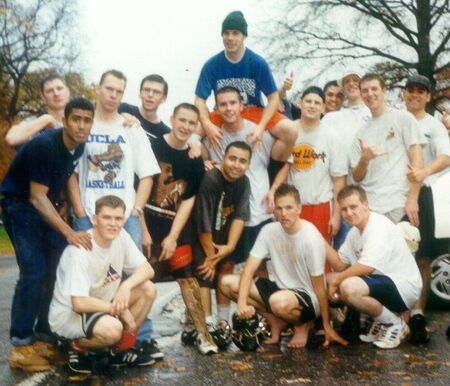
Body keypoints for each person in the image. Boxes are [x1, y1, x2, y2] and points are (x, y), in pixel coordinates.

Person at [67, 69, 161, 357]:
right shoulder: (83, 124)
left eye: (119, 91)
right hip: (90, 214)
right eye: (108, 89)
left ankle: (140, 337)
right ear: (97, 87)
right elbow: (69, 171)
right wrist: (80, 208)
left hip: (124, 216)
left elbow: (147, 174)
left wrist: (137, 210)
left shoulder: (131, 128)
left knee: (137, 278)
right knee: (92, 276)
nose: (113, 96)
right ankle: (90, 336)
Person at [1, 97, 94, 372]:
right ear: (65, 120)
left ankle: (43, 338)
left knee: (55, 270)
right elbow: (36, 197)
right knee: (34, 272)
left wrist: (75, 213)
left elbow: (65, 177)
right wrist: (70, 232)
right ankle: (20, 344)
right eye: (76, 119)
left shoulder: (78, 147)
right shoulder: (44, 144)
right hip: (20, 205)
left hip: (46, 205)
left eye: (87, 120)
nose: (81, 125)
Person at [220, 184, 348, 349]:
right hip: (280, 288)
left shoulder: (310, 237)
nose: (284, 213)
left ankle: (302, 325)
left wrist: (326, 325)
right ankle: (276, 321)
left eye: (289, 208)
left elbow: (319, 288)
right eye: (279, 208)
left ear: (299, 209)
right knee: (227, 283)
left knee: (277, 301)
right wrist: (242, 304)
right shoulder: (269, 230)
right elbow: (248, 270)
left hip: (308, 297)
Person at [49, 195, 156, 376]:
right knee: (113, 330)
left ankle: (117, 352)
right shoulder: (81, 250)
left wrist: (126, 286)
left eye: (118, 218)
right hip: (69, 315)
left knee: (148, 289)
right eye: (107, 217)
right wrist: (119, 309)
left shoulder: (121, 236)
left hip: (100, 306)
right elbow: (79, 303)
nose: (113, 224)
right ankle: (75, 345)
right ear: (94, 219)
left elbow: (148, 269)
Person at [145, 102, 218, 355]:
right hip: (147, 222)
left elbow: (188, 201)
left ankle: (203, 334)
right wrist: (144, 231)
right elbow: (138, 191)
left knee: (187, 277)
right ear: (172, 118)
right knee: (140, 278)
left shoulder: (194, 159)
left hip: (175, 225)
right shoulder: (152, 147)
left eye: (191, 122)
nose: (185, 126)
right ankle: (134, 337)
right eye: (181, 120)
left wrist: (173, 237)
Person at [327, 185, 422, 349]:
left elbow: (367, 267)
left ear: (365, 204)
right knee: (326, 280)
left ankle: (394, 324)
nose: (349, 213)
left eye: (353, 207)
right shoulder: (354, 233)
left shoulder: (377, 226)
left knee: (349, 286)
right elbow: (340, 263)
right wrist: (316, 238)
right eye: (344, 209)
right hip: (384, 284)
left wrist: (337, 280)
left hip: (403, 287)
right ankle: (382, 322)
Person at [194, 10, 297, 161]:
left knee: (291, 130)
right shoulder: (212, 65)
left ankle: (273, 167)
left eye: (235, 33)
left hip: (253, 110)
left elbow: (273, 98)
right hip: (223, 111)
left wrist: (261, 127)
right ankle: (206, 165)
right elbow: (199, 100)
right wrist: (207, 124)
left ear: (244, 36)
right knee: (190, 134)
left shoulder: (257, 62)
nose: (230, 38)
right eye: (226, 33)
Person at [402, 74, 450, 343]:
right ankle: (397, 315)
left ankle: (418, 313)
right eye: (411, 91)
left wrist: (423, 172)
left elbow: (446, 156)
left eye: (421, 92)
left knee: (422, 256)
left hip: (423, 196)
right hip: (395, 194)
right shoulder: (395, 119)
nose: (415, 96)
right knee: (394, 254)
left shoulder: (434, 125)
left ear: (428, 96)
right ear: (403, 94)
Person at [268, 86, 347, 243]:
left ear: (323, 107)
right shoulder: (289, 130)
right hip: (291, 207)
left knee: (321, 260)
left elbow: (339, 180)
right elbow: (284, 168)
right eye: (308, 101)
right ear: (300, 103)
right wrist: (273, 193)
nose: (312, 105)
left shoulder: (332, 136)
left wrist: (336, 216)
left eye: (317, 103)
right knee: (291, 259)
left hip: (320, 206)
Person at [350, 73, 425, 225]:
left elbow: (417, 161)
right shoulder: (360, 133)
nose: (370, 94)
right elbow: (356, 176)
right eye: (365, 90)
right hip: (370, 209)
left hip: (399, 205)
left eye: (374, 89)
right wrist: (364, 159)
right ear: (361, 94)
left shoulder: (404, 118)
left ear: (384, 91)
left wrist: (412, 199)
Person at [193, 141, 251, 325]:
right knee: (206, 273)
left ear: (248, 164)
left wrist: (230, 247)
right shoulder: (211, 179)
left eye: (242, 161)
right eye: (232, 158)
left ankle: (223, 322)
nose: (236, 164)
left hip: (225, 235)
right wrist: (212, 259)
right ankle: (206, 324)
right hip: (203, 235)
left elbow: (240, 216)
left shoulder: (244, 181)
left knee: (225, 270)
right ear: (224, 158)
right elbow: (203, 223)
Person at [322, 71, 371, 247]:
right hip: (342, 195)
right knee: (344, 249)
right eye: (347, 81)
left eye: (355, 80)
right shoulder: (331, 118)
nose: (351, 84)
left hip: (372, 193)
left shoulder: (375, 113)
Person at [6, 74, 70, 148]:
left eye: (59, 88)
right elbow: (11, 138)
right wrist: (46, 120)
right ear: (43, 97)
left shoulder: (82, 123)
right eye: (49, 91)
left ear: (68, 92)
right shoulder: (35, 122)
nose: (56, 93)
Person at [118, 74, 170, 139]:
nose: (150, 95)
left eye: (156, 92)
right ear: (140, 93)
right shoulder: (122, 108)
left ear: (164, 98)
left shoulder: (166, 133)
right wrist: (119, 116)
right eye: (146, 90)